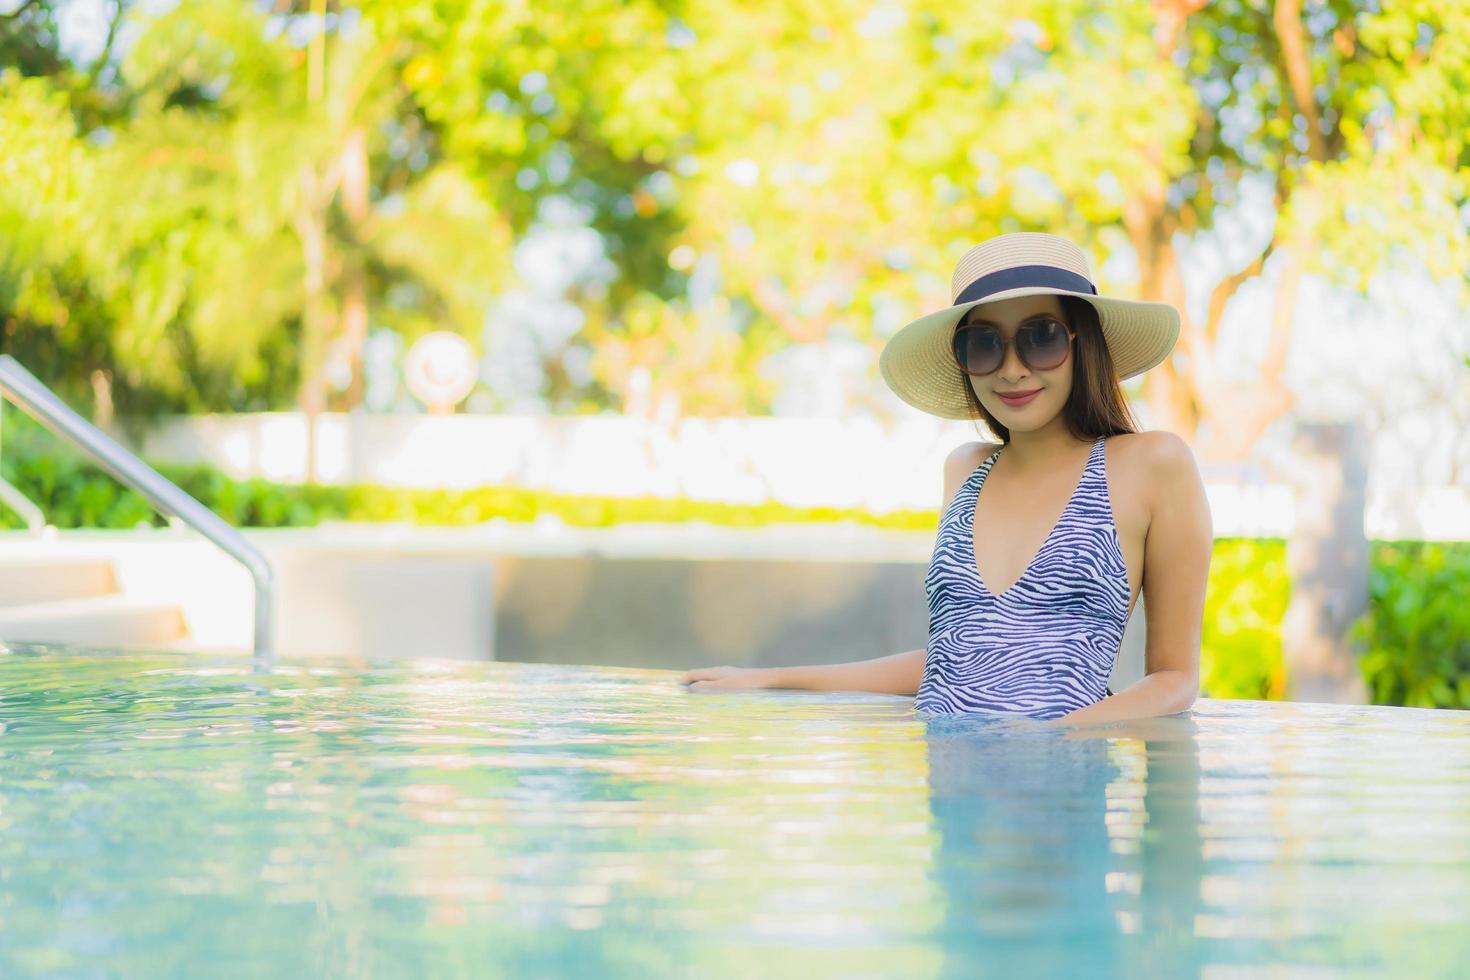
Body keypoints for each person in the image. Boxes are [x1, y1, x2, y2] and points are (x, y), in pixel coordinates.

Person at [682, 232, 1213, 725]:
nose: (1011, 369)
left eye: (1041, 338)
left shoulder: (1152, 464)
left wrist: (1054, 742)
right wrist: (769, 679)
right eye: (984, 344)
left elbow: (1174, 679)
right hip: (952, 801)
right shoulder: (965, 469)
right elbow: (955, 657)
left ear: (1084, 344)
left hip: (1055, 806)